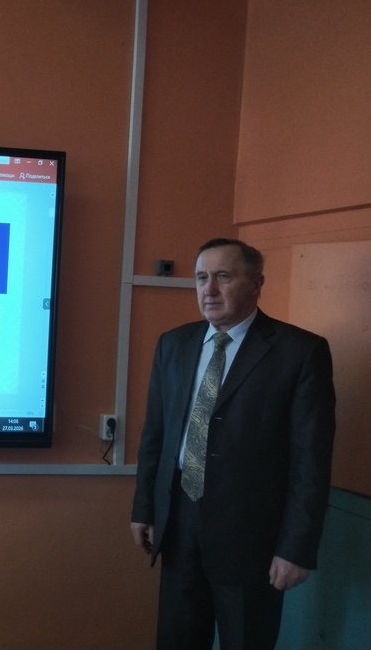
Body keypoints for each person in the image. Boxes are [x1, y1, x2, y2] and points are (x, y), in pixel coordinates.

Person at [130, 238, 336, 650]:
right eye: (201, 278)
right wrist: (144, 508)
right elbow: (156, 434)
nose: (209, 289)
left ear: (256, 283)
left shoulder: (300, 352)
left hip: (252, 539)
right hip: (179, 524)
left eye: (223, 277)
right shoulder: (174, 344)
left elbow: (310, 461)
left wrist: (296, 548)